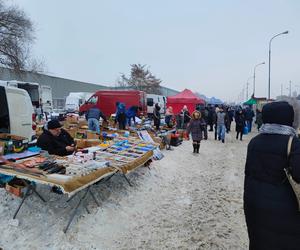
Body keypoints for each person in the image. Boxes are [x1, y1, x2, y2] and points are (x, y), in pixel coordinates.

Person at [244, 101, 300, 249]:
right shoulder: (293, 143)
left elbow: (248, 173)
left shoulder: (254, 142)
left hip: (253, 203)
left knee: (259, 241)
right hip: (284, 209)